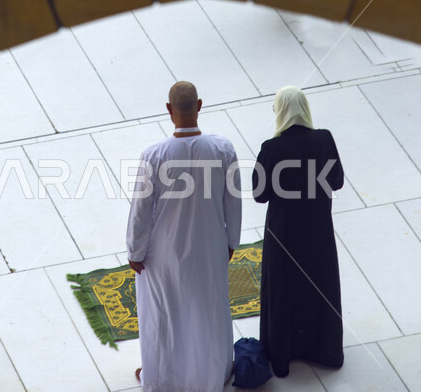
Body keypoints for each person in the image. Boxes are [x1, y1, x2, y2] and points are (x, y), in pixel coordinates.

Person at [127, 81, 242, 391]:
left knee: (164, 315)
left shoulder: (154, 155)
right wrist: (232, 242)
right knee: (209, 310)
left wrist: (135, 251)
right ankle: (211, 375)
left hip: (163, 254)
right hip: (209, 248)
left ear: (169, 110)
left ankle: (161, 376)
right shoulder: (223, 149)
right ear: (200, 105)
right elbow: (233, 200)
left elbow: (140, 210)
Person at [252, 85, 345, 377]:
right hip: (318, 231)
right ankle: (324, 349)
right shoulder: (324, 139)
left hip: (284, 235)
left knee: (284, 291)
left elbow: (259, 193)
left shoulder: (272, 148)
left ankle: (283, 353)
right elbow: (338, 180)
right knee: (319, 286)